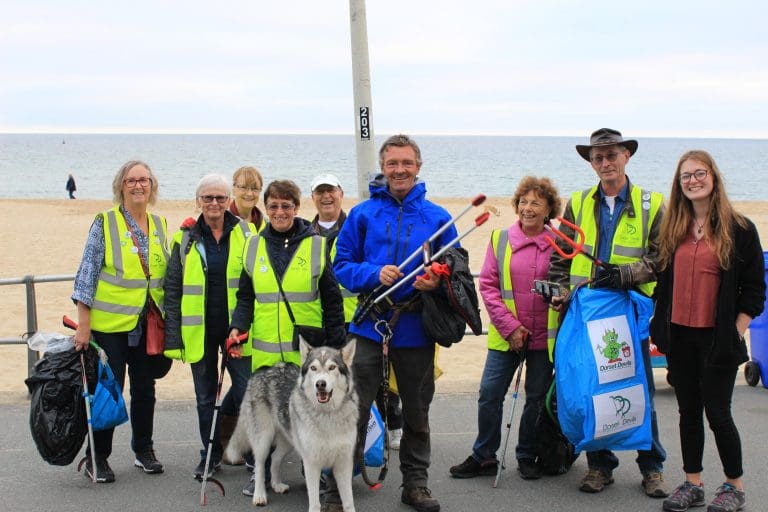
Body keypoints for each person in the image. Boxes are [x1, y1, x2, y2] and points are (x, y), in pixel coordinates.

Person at [330, 134, 459, 512]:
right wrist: (373, 273)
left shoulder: (437, 218)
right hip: (370, 326)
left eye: (406, 163)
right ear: (383, 168)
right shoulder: (363, 214)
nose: (399, 170)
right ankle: (336, 488)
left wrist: (438, 280)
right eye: (392, 163)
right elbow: (341, 266)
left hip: (416, 327)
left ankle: (415, 484)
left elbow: (456, 270)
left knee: (417, 411)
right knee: (350, 408)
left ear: (418, 167)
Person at [548, 128, 669, 497]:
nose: (605, 163)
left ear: (626, 156)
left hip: (628, 314)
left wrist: (627, 274)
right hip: (588, 313)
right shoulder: (580, 201)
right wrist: (558, 291)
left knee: (639, 389)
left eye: (611, 155)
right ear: (591, 162)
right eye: (597, 158)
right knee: (592, 387)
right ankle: (600, 467)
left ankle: (652, 468)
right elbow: (561, 256)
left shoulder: (652, 203)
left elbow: (662, 256)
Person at [651, 150, 765, 512]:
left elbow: (754, 290)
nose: (693, 180)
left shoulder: (740, 229)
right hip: (680, 337)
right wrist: (659, 325)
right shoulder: (673, 228)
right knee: (687, 413)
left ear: (713, 177)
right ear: (678, 184)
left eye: (699, 173)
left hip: (717, 339)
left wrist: (736, 330)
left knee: (718, 413)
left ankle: (735, 486)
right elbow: (662, 284)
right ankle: (693, 482)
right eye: (685, 176)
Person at [227, 179, 346, 497]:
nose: (280, 212)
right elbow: (244, 297)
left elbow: (332, 302)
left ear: (296, 208)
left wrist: (335, 350)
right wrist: (237, 328)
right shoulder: (252, 246)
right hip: (265, 353)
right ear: (265, 208)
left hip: (305, 355)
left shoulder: (317, 245)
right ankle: (259, 474)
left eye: (287, 205)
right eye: (274, 206)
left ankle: (318, 474)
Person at [450, 176, 561, 481]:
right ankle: (484, 454)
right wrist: (511, 328)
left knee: (536, 398)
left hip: (544, 338)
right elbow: (488, 285)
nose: (528, 208)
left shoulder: (559, 244)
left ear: (549, 208)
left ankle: (527, 454)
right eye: (523, 202)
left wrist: (561, 300)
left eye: (536, 202)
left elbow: (566, 284)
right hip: (506, 335)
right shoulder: (500, 239)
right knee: (489, 394)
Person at [71, 160, 170, 483]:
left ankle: (144, 450)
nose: (138, 185)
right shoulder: (105, 222)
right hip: (109, 327)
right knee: (108, 392)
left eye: (144, 180)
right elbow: (86, 275)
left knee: (145, 388)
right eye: (131, 180)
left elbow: (164, 275)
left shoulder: (159, 224)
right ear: (121, 186)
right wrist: (83, 326)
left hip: (147, 325)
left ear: (152, 185)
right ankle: (96, 457)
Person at [163, 174, 255, 479]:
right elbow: (172, 291)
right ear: (198, 200)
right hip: (198, 332)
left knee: (246, 393)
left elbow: (256, 285)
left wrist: (243, 327)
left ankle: (255, 454)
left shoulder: (247, 232)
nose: (214, 203)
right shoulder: (184, 239)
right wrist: (173, 337)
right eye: (207, 198)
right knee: (205, 398)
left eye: (219, 198)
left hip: (237, 332)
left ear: (229, 201)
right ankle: (210, 455)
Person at [309, 171, 404, 450]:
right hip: (324, 321)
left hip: (359, 317)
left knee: (374, 378)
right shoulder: (306, 232)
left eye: (332, 191)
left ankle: (392, 424)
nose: (326, 196)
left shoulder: (358, 225)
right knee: (332, 380)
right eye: (320, 192)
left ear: (341, 193)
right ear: (313, 197)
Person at [230, 165, 266, 230]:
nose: (249, 194)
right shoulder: (223, 222)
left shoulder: (266, 224)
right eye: (244, 187)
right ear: (233, 190)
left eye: (255, 188)